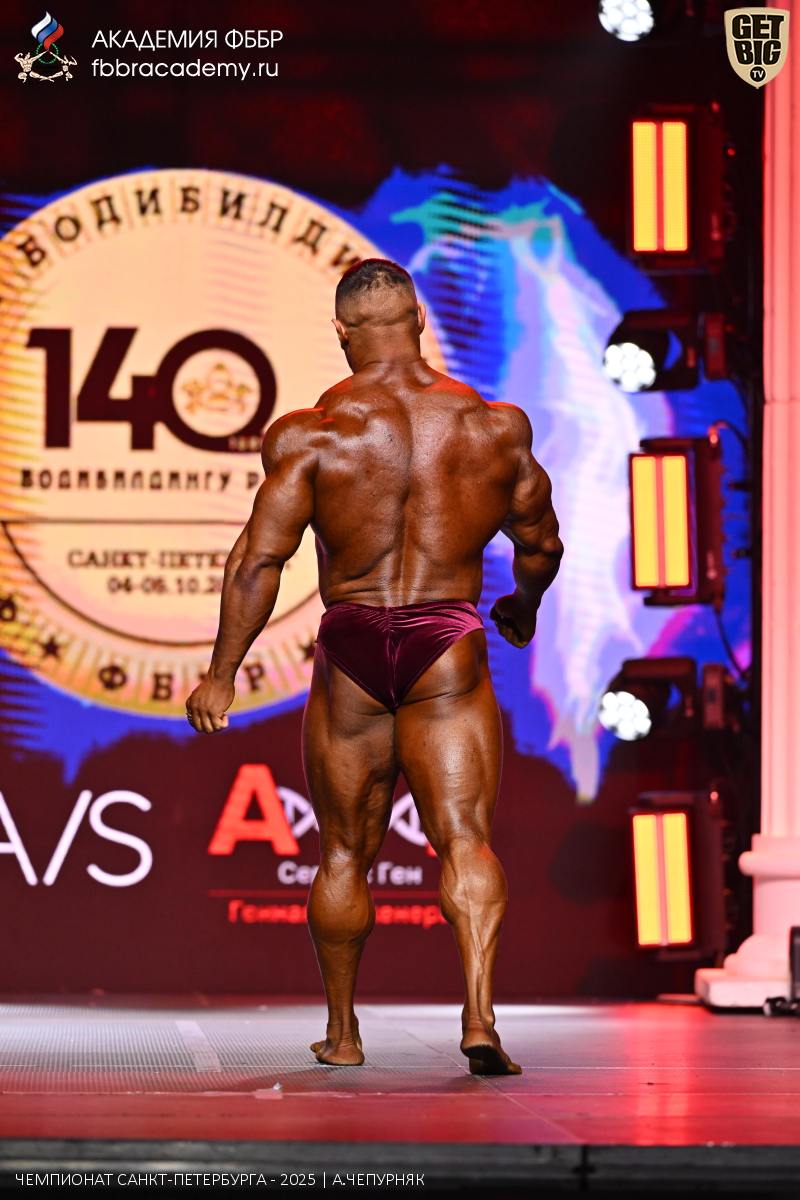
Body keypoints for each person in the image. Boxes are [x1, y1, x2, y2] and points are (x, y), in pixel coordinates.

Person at [186, 259, 563, 1075]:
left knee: (342, 853)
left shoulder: (311, 433)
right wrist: (523, 605)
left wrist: (222, 670)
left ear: (341, 332)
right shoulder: (495, 428)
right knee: (464, 838)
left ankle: (343, 1034)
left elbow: (259, 558)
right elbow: (541, 543)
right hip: (446, 639)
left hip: (353, 642)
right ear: (418, 319)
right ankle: (479, 1018)